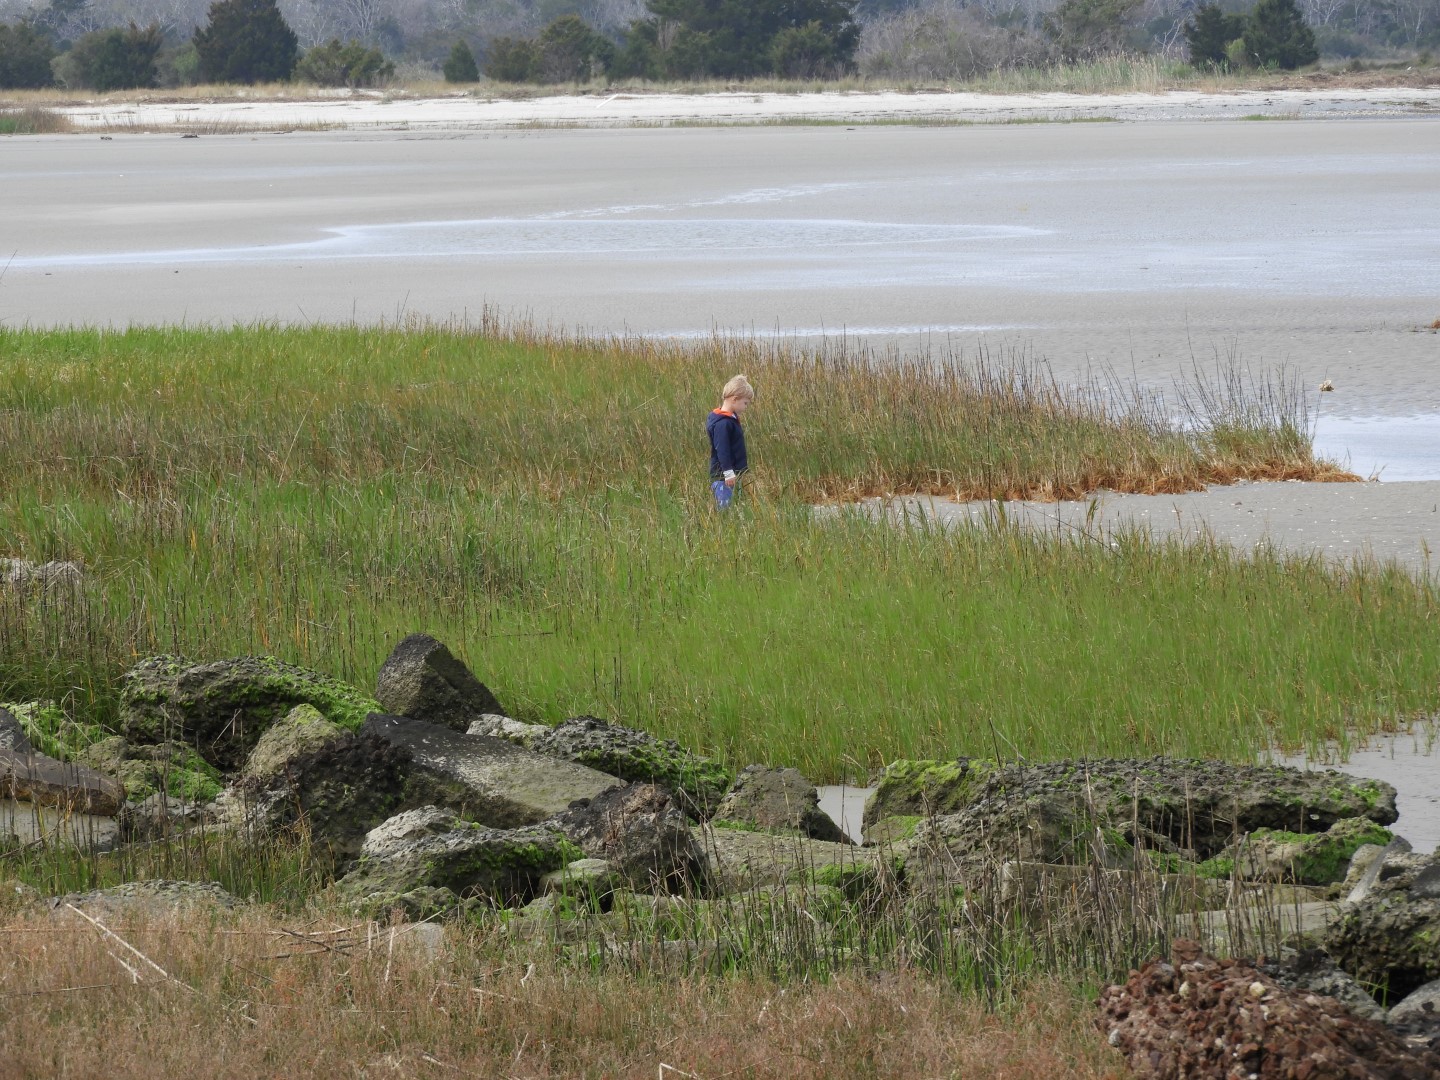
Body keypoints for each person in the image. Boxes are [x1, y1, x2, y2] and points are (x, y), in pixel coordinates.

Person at [706, 374, 753, 509]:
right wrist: (728, 472)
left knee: (733, 505)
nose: (746, 407)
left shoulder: (731, 420)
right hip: (723, 475)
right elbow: (722, 450)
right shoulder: (723, 424)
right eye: (745, 403)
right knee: (724, 507)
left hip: (731, 474)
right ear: (735, 399)